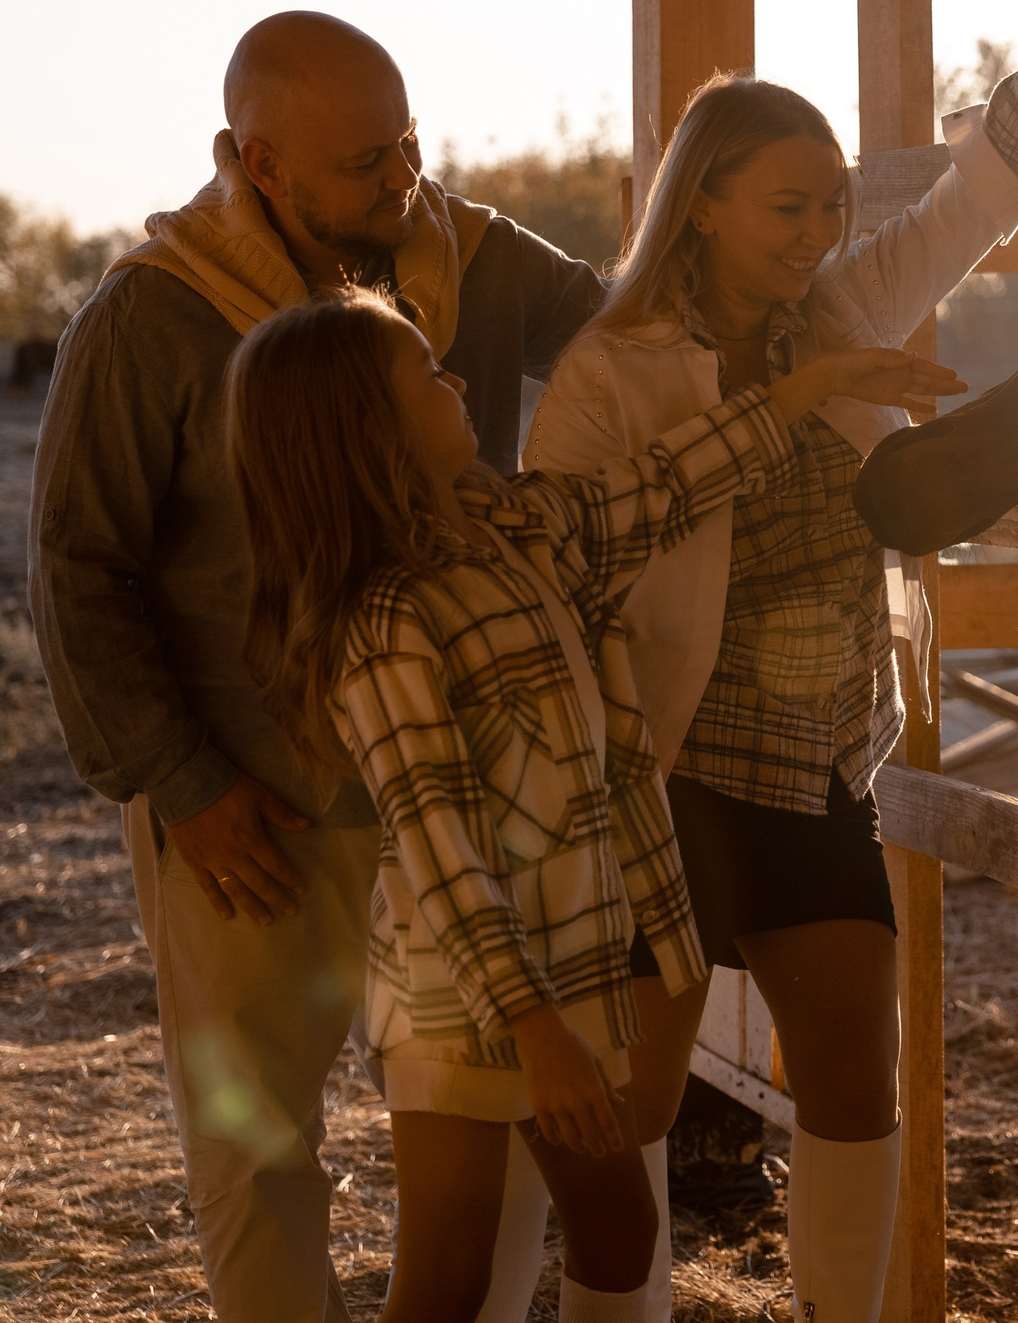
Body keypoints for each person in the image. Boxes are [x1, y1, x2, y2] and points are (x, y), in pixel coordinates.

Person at [526, 0, 1018, 1322]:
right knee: (633, 1100)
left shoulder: (847, 305)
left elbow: (976, 197)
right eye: (786, 206)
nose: (817, 231)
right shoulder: (610, 369)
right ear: (700, 209)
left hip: (817, 763)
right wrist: (793, 396)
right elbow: (567, 552)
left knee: (858, 1087)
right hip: (665, 776)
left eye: (832, 205)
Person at [224, 288, 957, 1321]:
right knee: (449, 1270)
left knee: (619, 1232)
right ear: (370, 428)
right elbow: (440, 847)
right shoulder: (387, 621)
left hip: (571, 963)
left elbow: (659, 487)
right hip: (462, 995)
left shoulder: (512, 524)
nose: (462, 379)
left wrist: (807, 388)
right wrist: (533, 1028)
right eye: (428, 375)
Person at [28, 12, 599, 1321]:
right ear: (258, 162)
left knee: (494, 1131)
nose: (402, 184)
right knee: (260, 1155)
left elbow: (634, 339)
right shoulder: (149, 320)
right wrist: (184, 784)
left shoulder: (477, 259)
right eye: (363, 164)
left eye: (409, 145)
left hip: (461, 797)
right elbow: (77, 568)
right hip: (254, 810)